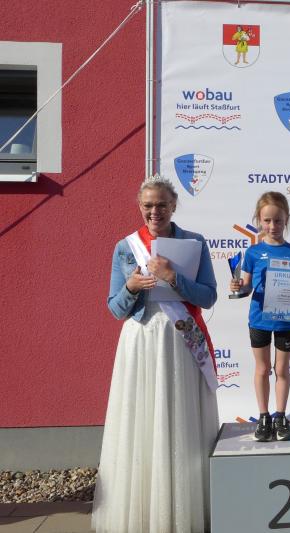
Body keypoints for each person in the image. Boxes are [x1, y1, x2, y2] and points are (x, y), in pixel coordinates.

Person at [92, 175, 219, 532]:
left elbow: (208, 296)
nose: (155, 211)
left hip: (180, 341)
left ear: (174, 205)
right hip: (141, 343)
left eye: (162, 204)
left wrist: (173, 277)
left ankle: (183, 511)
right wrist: (132, 286)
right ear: (139, 206)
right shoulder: (125, 247)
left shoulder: (194, 242)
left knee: (179, 420)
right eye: (148, 205)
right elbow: (116, 309)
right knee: (143, 421)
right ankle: (143, 512)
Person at [230, 192, 290, 442]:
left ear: (286, 219)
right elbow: (246, 287)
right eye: (267, 221)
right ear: (259, 220)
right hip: (259, 318)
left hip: (286, 319)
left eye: (278, 220)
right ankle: (263, 416)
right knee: (262, 368)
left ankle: (280, 416)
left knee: (282, 369)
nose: (272, 226)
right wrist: (238, 287)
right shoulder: (253, 252)